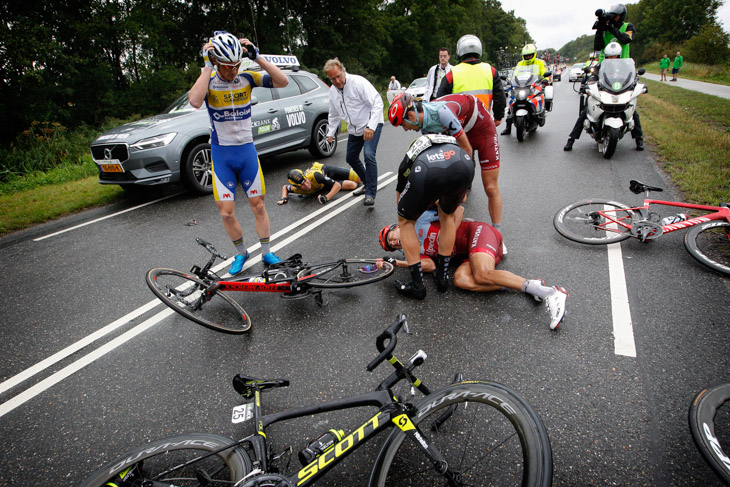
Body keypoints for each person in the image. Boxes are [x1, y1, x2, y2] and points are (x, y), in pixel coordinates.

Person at [189, 31, 287, 274]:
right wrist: (205, 67)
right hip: (222, 155)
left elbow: (282, 81)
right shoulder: (210, 81)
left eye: (236, 65)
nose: (233, 71)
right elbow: (194, 100)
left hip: (246, 152)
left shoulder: (247, 77)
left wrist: (258, 57)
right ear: (216, 62)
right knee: (227, 212)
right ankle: (241, 252)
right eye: (227, 67)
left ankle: (267, 252)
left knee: (258, 206)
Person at [378, 207, 568, 329]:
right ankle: (527, 285)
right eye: (391, 245)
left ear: (396, 226)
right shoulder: (412, 251)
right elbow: (429, 265)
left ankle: (549, 292)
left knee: (481, 274)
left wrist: (449, 236)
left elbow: (458, 209)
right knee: (460, 281)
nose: (394, 242)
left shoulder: (419, 219)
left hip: (477, 233)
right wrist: (396, 262)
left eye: (391, 236)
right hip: (472, 254)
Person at [434, 34, 507, 253]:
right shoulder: (490, 70)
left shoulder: (451, 73)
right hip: (485, 131)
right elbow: (500, 95)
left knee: (457, 186)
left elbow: (439, 102)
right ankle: (499, 238)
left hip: (460, 133)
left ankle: (452, 235)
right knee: (492, 188)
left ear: (459, 52)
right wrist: (498, 116)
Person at [390, 134, 475, 299]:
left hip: (428, 169)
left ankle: (417, 286)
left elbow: (403, 172)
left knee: (405, 221)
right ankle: (442, 278)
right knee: (447, 215)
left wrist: (401, 198)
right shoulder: (448, 139)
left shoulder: (417, 144)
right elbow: (462, 196)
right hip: (463, 164)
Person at [388, 93, 498, 208]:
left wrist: (463, 188)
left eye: (403, 125)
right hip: (461, 125)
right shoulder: (424, 126)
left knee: (490, 187)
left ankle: (497, 226)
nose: (405, 129)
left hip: (481, 126)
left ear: (411, 116)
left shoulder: (442, 113)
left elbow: (466, 150)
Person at [564, 35, 644, 151]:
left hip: (620, 93)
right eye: (610, 56)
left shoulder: (624, 66)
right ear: (606, 56)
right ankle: (571, 140)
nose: (612, 58)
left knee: (633, 112)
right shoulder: (601, 66)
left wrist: (638, 83)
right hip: (604, 93)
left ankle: (639, 139)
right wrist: (590, 82)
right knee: (586, 111)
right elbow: (594, 76)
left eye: (615, 56)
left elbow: (632, 77)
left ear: (619, 56)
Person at [324, 58, 384, 206]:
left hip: (371, 123)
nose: (337, 81)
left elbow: (377, 102)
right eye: (333, 79)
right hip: (355, 128)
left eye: (339, 76)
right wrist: (330, 133)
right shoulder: (332, 92)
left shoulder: (358, 83)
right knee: (351, 157)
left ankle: (370, 192)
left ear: (343, 71)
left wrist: (371, 126)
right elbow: (333, 114)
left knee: (369, 155)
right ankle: (366, 182)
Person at [501, 43, 549, 136]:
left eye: (530, 55)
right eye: (526, 56)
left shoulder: (540, 62)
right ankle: (508, 127)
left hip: (534, 85)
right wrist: (509, 80)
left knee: (540, 95)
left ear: (534, 54)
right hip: (521, 86)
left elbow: (544, 72)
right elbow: (514, 75)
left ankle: (540, 114)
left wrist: (545, 80)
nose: (528, 57)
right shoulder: (520, 64)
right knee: (512, 101)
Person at [278, 163, 361, 205]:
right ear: (297, 187)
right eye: (302, 185)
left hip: (327, 173)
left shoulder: (315, 176)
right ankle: (334, 180)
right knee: (353, 185)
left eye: (305, 181)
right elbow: (285, 187)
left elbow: (337, 185)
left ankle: (353, 168)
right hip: (324, 185)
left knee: (359, 179)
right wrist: (283, 198)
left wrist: (326, 198)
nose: (306, 185)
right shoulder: (296, 189)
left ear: (305, 176)